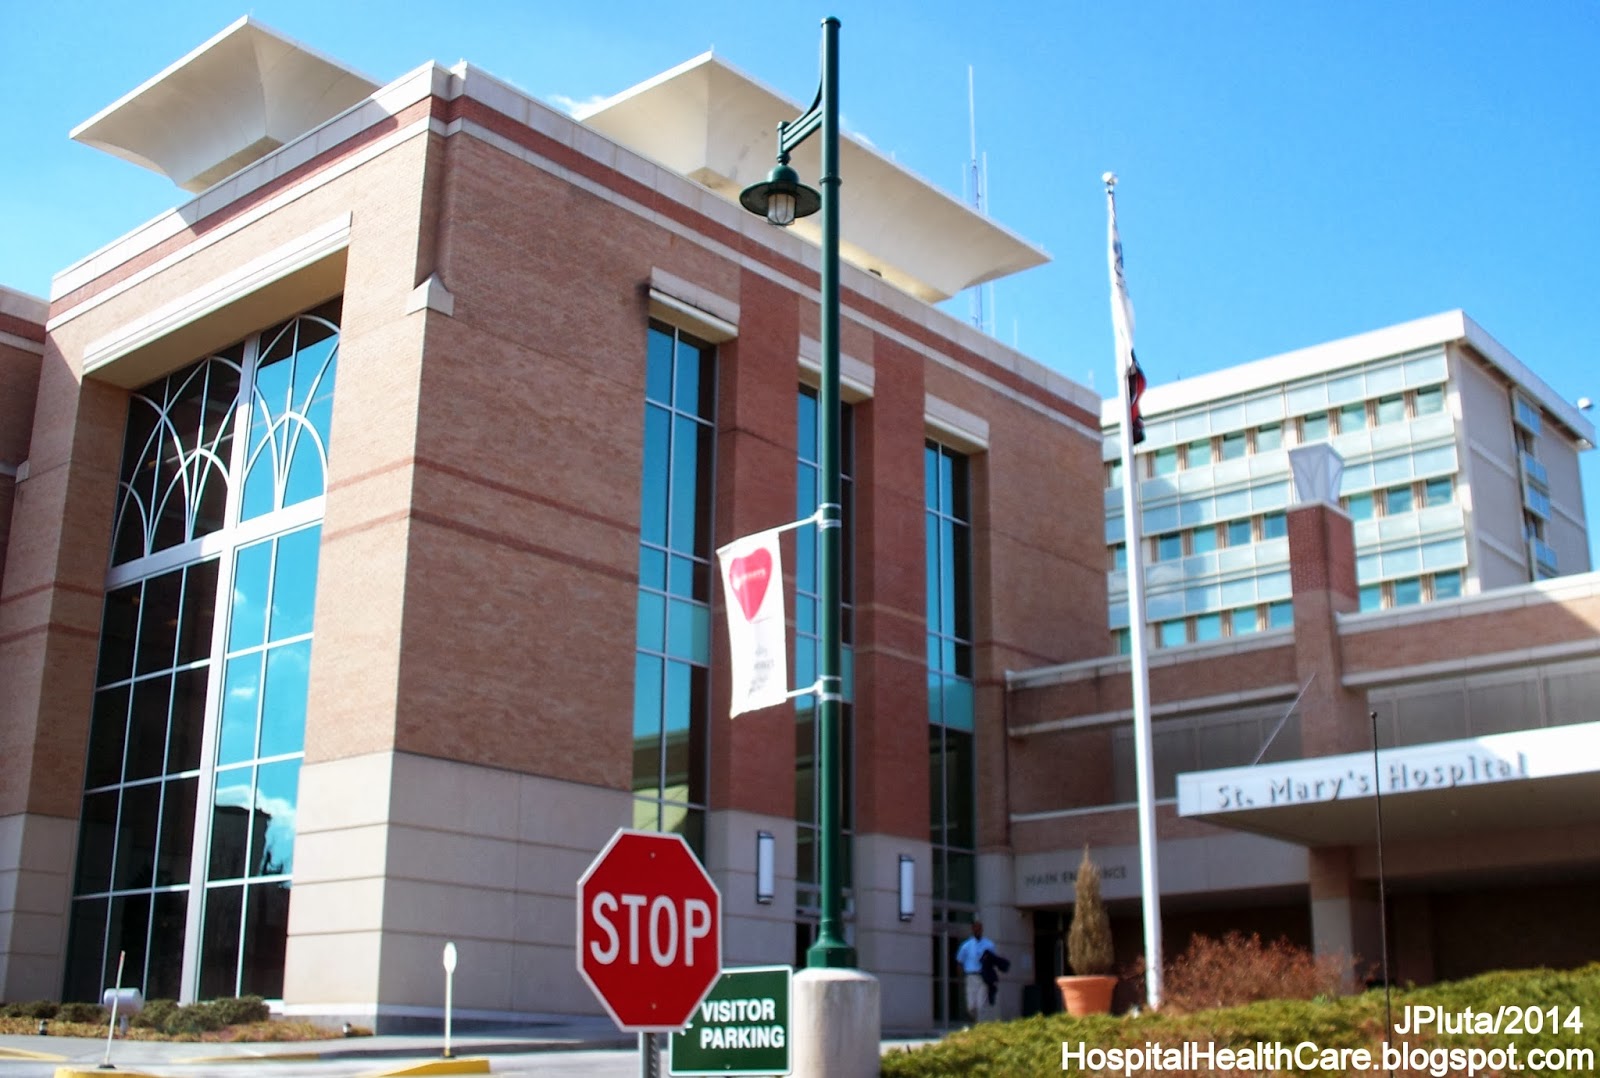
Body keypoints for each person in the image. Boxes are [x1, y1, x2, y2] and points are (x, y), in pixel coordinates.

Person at [954, 921, 997, 1022]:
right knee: (971, 1006)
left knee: (981, 1005)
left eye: (979, 928)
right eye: (975, 928)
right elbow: (959, 961)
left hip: (983, 977)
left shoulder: (989, 945)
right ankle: (976, 1021)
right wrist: (960, 977)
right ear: (972, 930)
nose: (977, 930)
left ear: (982, 930)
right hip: (971, 977)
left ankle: (980, 1026)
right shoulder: (966, 946)